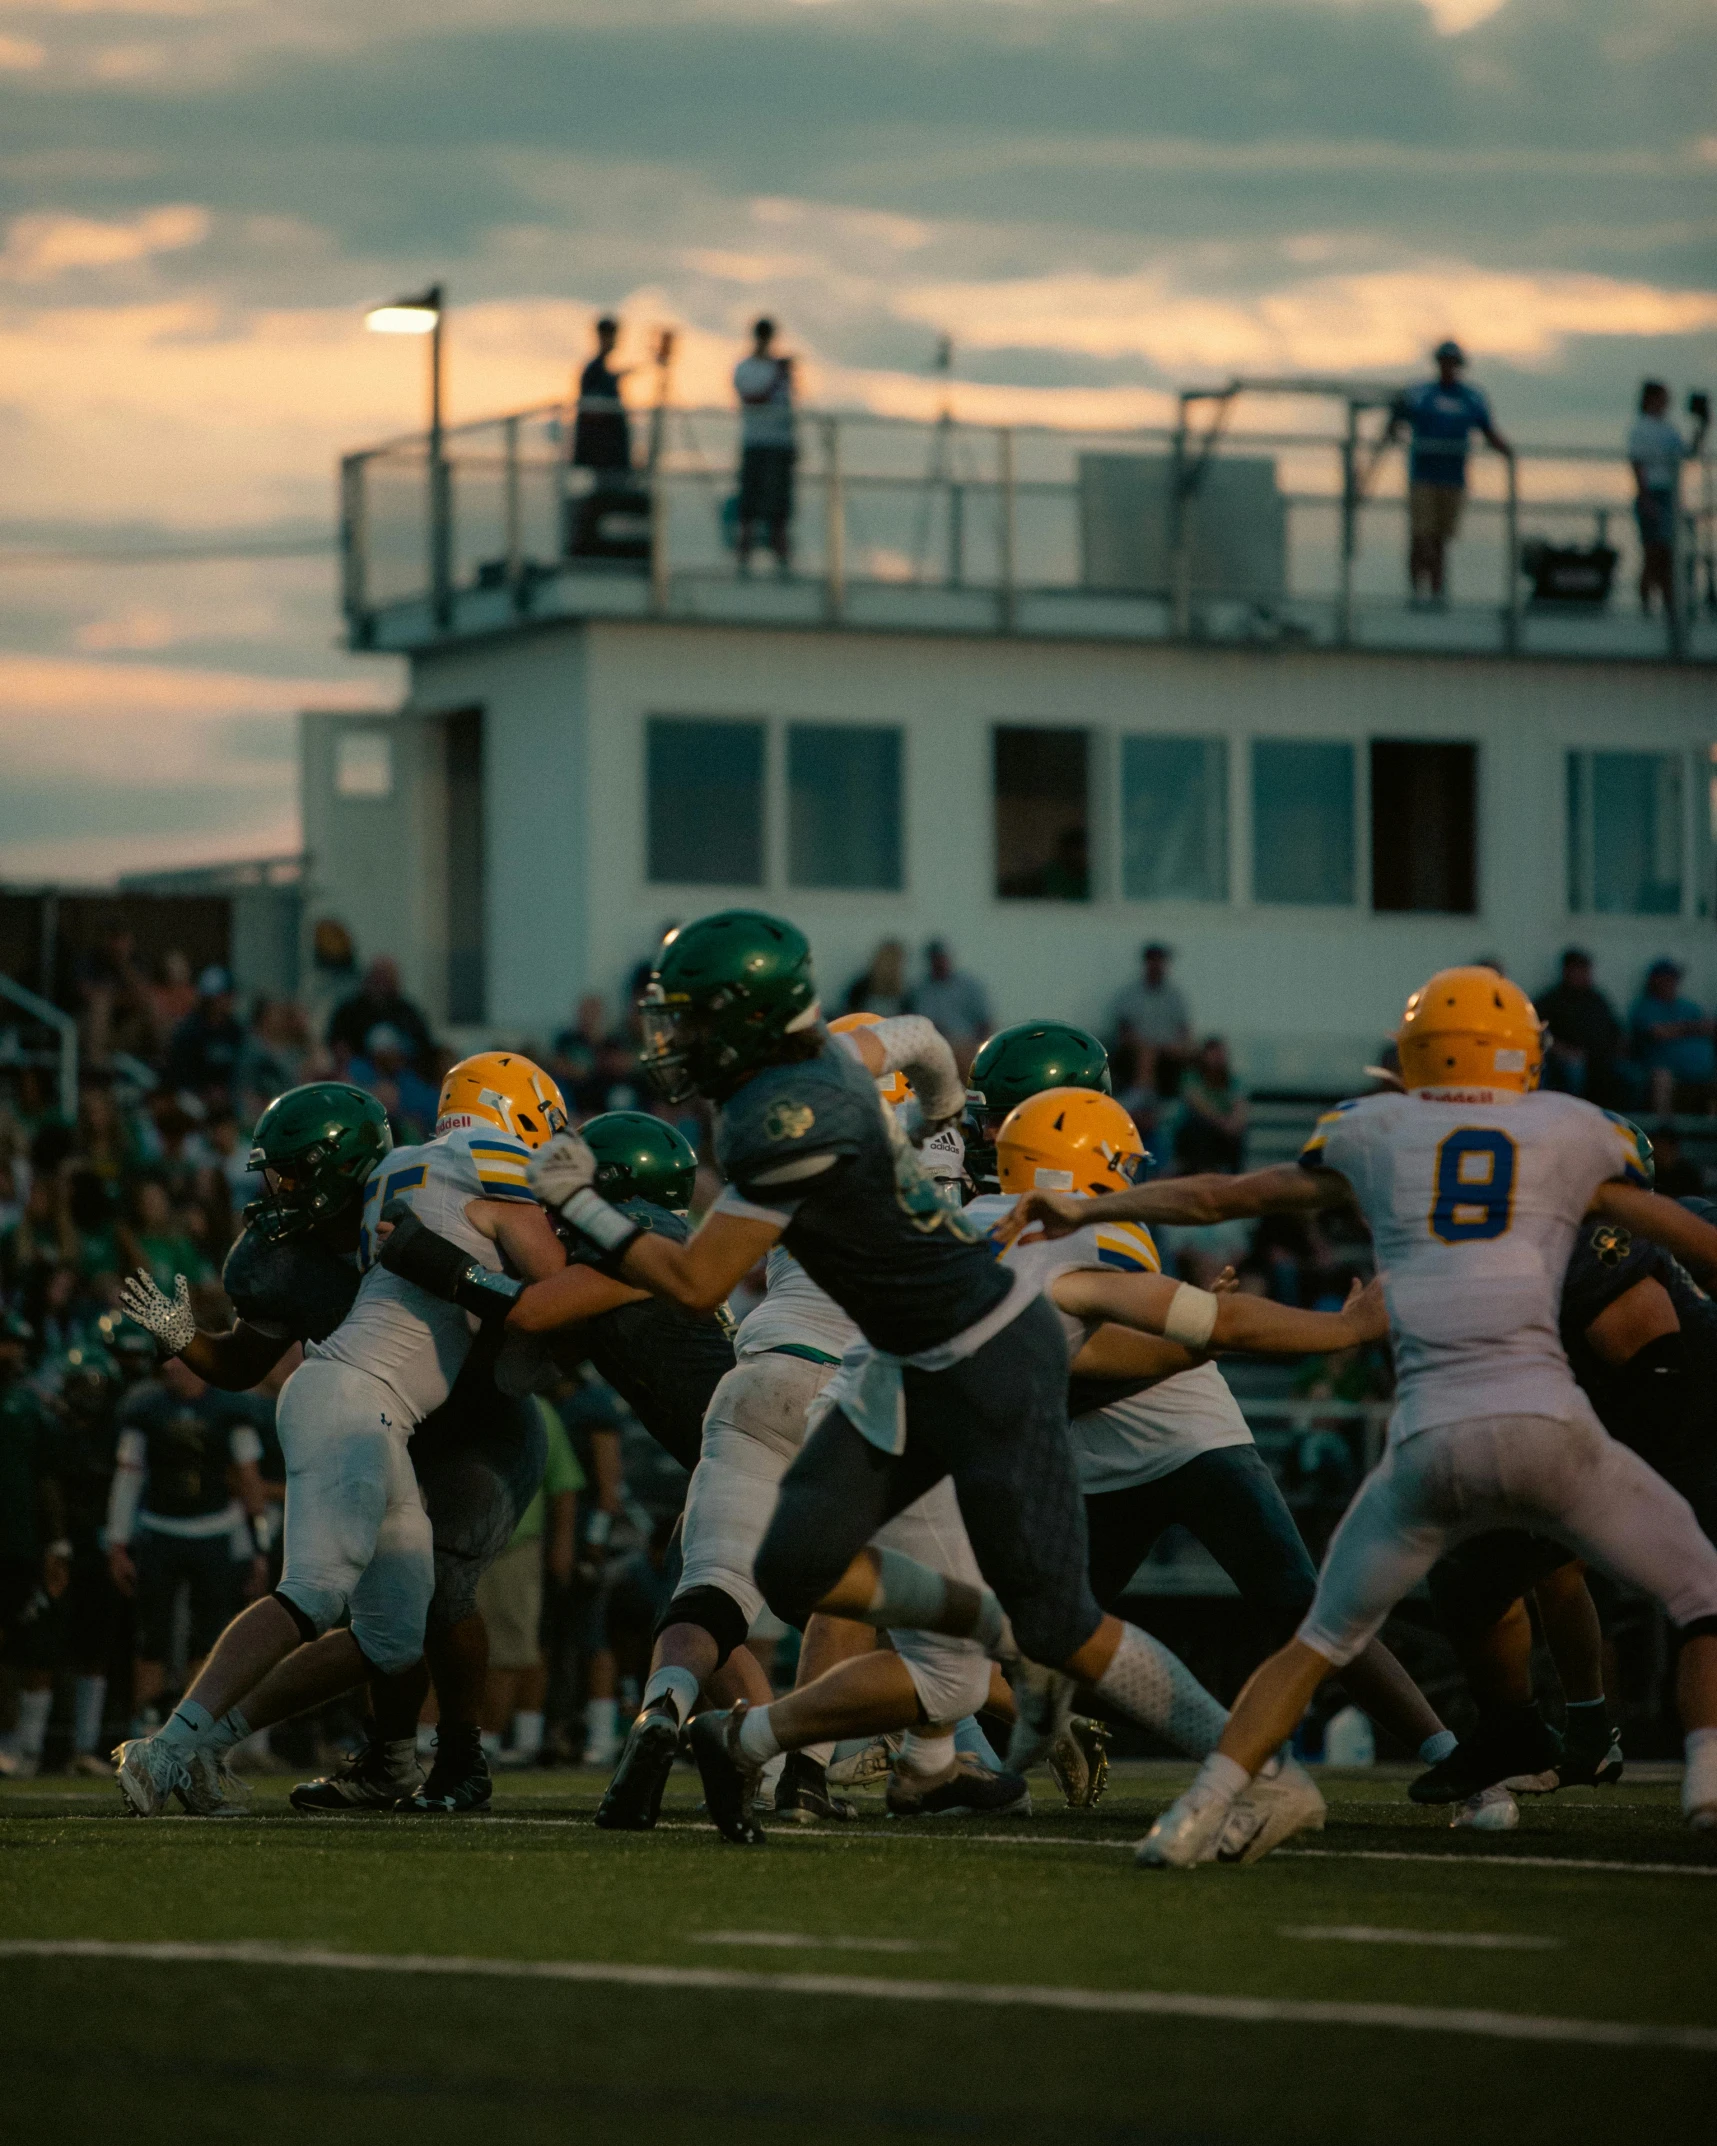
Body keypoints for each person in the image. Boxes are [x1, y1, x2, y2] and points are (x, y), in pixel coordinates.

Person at [518, 910, 1386, 1854]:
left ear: (743, 1018)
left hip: (980, 1355)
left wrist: (583, 1210)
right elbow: (928, 1042)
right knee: (793, 1565)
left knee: (1065, 1624)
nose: (668, 1039)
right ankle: (988, 1631)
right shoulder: (837, 1061)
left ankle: (1262, 1771)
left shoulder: (781, 1120)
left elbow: (696, 1280)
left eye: (685, 1019)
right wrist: (935, 1110)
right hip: (886, 1362)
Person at [1005, 966, 1717, 1858]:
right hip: (1548, 1422)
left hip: (1428, 1434)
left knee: (1315, 1637)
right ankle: (1704, 1782)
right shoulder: (1569, 1130)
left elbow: (1221, 1196)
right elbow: (1668, 1232)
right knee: (1699, 1593)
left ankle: (1197, 1815)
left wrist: (1086, 1201)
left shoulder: (1376, 1130)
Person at [109, 1055, 568, 1817]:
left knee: (401, 1627)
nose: (276, 1192)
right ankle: (178, 1746)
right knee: (320, 1594)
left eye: (291, 1174)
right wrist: (177, 1333)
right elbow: (240, 1360)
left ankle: (215, 1747)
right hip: (360, 1406)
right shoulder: (334, 1231)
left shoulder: (422, 1186)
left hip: (453, 1420)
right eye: (274, 1174)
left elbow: (524, 1323)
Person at [982, 1090, 1448, 1779]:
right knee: (1041, 1631)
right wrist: (1205, 1341)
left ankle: (1446, 1751)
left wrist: (1204, 1338)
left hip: (1185, 1437)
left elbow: (1107, 1362)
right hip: (1100, 1456)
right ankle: (993, 1769)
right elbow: (1122, 1361)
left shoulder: (1054, 1231)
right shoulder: (1046, 1229)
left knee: (1297, 1602)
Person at [105, 1356, 270, 1736]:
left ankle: (196, 1723)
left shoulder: (230, 1409)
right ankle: (144, 1725)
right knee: (152, 1634)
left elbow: (248, 1479)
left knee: (211, 1634)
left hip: (214, 1529)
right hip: (160, 1528)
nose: (172, 1366)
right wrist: (118, 1543)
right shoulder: (145, 1408)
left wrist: (259, 1546)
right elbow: (128, 1477)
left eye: (181, 1358)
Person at [476, 1399, 579, 1767]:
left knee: (509, 1647)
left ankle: (484, 1740)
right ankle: (427, 1737)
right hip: (449, 1541)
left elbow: (563, 1484)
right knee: (432, 1641)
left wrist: (563, 1546)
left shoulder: (538, 1411)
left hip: (513, 1545)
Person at [1385, 341, 1513, 606]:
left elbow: (1487, 429)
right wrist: (1394, 430)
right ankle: (1416, 592)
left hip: (1453, 479)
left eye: (1453, 363)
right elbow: (1398, 415)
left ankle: (1436, 595)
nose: (1449, 368)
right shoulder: (1421, 394)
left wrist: (1508, 452)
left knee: (1440, 540)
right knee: (1421, 537)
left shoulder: (1471, 397)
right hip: (1423, 476)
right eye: (1445, 362)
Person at [1628, 381, 1708, 619]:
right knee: (1653, 554)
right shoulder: (1640, 428)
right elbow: (1638, 463)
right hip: (1653, 493)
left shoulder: (1668, 429)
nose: (1667, 404)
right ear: (1651, 399)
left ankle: (1669, 610)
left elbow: (1687, 453)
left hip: (1669, 496)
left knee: (1668, 555)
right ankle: (1646, 610)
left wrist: (1702, 427)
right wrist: (1645, 497)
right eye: (1663, 398)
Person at [733, 318, 795, 575]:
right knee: (749, 506)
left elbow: (787, 404)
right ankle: (744, 562)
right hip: (756, 443)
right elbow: (752, 399)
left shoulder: (777, 369)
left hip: (780, 444)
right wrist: (776, 377)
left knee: (780, 509)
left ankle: (783, 564)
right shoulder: (745, 368)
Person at [1536, 947, 1623, 1104]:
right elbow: (1538, 1033)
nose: (1584, 974)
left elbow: (1616, 1030)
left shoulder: (1597, 999)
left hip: (1601, 1059)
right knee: (1574, 1070)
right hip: (1566, 1060)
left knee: (1628, 1075)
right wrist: (1563, 1051)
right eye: (1578, 969)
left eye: (1586, 969)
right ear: (1567, 970)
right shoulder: (1551, 1000)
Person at [1628, 957, 1714, 1113]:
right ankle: (1663, 1132)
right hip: (1662, 1067)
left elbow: (1709, 1027)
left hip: (1701, 1069)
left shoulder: (1688, 1006)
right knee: (1662, 1078)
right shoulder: (1645, 1006)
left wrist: (1680, 1029)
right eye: (1665, 978)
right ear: (1654, 980)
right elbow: (1658, 1032)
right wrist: (1691, 1028)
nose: (1670, 982)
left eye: (1673, 978)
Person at [1108, 944, 1192, 1099]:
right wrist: (1150, 1046)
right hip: (1138, 1049)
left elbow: (1184, 1030)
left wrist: (1180, 1046)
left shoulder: (1175, 996)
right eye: (1153, 961)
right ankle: (1143, 1100)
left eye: (1161, 961)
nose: (1157, 965)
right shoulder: (1130, 994)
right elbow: (1125, 1033)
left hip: (1169, 1049)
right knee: (1147, 1054)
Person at [326, 956, 433, 1073]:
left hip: (404, 1075)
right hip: (359, 1072)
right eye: (378, 977)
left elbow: (424, 1048)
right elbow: (336, 1044)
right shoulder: (348, 1011)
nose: (382, 982)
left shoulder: (409, 1013)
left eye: (387, 977)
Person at [164, 967, 246, 1105]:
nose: (230, 1000)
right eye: (226, 995)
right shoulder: (189, 1032)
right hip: (193, 1099)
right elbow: (182, 1073)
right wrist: (205, 1092)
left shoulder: (234, 1031)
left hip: (229, 1100)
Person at [908, 941, 992, 1076]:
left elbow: (985, 1023)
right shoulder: (919, 990)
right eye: (935, 959)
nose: (939, 963)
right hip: (932, 1049)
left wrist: (983, 1052)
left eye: (941, 958)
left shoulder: (969, 987)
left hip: (964, 1047)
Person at [570, 316, 633, 480]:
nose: (613, 341)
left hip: (606, 455)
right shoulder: (594, 372)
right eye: (611, 336)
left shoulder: (599, 371)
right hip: (603, 455)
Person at [1173, 1037, 1247, 1175]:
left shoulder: (1233, 1080)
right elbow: (1199, 1105)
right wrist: (1222, 1122)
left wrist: (1234, 1124)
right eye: (1214, 1053)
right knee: (1199, 1127)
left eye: (1221, 1053)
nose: (1218, 1058)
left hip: (1223, 1132)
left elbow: (1240, 1107)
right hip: (1196, 1132)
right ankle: (1204, 1172)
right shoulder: (1192, 1077)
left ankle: (1235, 1176)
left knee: (1238, 1135)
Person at [842, 939, 907, 1018]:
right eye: (886, 960)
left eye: (894, 962)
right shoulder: (858, 990)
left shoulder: (906, 995)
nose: (890, 967)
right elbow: (849, 1017)